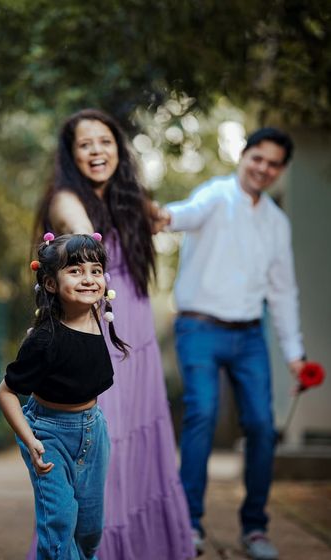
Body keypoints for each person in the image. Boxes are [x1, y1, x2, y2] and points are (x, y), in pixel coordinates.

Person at [30, 109, 195, 560]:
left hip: (136, 325)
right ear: (72, 155)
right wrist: (85, 245)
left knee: (143, 435)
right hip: (99, 324)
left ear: (119, 148)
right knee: (109, 439)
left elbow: (165, 218)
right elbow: (80, 234)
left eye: (104, 141)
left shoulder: (129, 197)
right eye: (85, 145)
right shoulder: (66, 198)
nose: (97, 151)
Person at [162, 127, 306, 560]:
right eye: (257, 158)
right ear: (244, 156)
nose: (263, 168)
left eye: (274, 163)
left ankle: (256, 528)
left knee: (263, 425)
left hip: (248, 336)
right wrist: (160, 216)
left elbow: (283, 292)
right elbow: (183, 214)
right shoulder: (215, 195)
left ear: (281, 170)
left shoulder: (278, 224)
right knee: (202, 413)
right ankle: (188, 523)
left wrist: (295, 354)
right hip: (198, 328)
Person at [0, 233, 129, 560]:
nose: (88, 279)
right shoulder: (44, 340)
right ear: (51, 284)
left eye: (95, 271)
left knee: (89, 530)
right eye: (75, 271)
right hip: (47, 434)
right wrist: (31, 441)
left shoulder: (98, 317)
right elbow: (6, 392)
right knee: (59, 523)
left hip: (92, 433)